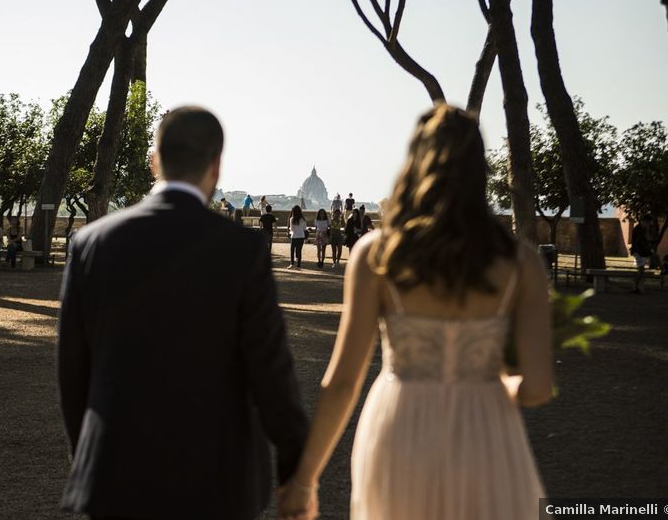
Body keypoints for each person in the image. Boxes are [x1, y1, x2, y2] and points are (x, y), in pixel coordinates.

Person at [278, 105, 552, 520]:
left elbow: (342, 381)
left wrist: (305, 479)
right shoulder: (522, 263)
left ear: (414, 165)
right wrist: (494, 380)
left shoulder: (377, 255)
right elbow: (537, 388)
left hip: (400, 425)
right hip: (487, 431)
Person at [57, 106, 309, 520]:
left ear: (155, 160)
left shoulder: (90, 243)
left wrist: (87, 454)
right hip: (217, 479)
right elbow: (271, 373)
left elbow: (73, 371)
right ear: (216, 165)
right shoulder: (241, 250)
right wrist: (295, 471)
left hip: (113, 472)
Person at [630, 215, 655, 293]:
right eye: (648, 222)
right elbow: (640, 242)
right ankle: (635, 288)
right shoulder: (638, 229)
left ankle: (663, 270)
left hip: (642, 251)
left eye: (650, 223)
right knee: (641, 270)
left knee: (655, 256)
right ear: (643, 221)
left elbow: (650, 239)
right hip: (637, 251)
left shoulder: (645, 229)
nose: (649, 224)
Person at [288, 205, 307, 269]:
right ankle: (298, 265)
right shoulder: (303, 219)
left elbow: (292, 229)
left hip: (294, 236)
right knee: (299, 251)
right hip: (301, 236)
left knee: (292, 250)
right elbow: (304, 229)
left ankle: (292, 264)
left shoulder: (292, 219)